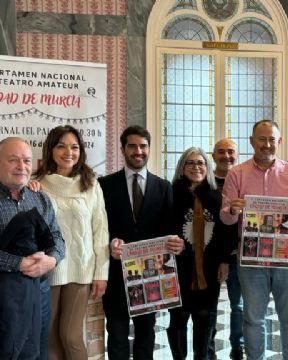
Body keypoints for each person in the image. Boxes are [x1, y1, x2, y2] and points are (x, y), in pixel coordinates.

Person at [0, 137, 65, 360]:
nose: (22, 166)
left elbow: (57, 238)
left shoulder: (41, 199)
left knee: (37, 354)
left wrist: (51, 260)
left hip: (38, 295)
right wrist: (19, 263)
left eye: (27, 161)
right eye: (14, 160)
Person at [221, 120, 288, 360]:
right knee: (253, 318)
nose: (267, 144)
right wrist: (232, 211)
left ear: (279, 142)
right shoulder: (236, 173)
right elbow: (226, 218)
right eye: (262, 139)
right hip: (251, 260)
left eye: (272, 139)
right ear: (252, 141)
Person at [99, 126, 183, 360]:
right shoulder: (104, 185)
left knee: (146, 335)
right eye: (132, 146)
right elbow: (97, 227)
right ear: (123, 149)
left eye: (143, 146)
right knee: (116, 334)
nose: (138, 151)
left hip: (151, 275)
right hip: (116, 274)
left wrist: (177, 242)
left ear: (149, 148)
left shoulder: (163, 186)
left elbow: (171, 227)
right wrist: (109, 243)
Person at [32, 125, 109, 360]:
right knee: (49, 336)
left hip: (81, 269)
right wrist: (26, 189)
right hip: (49, 268)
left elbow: (100, 230)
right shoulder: (36, 184)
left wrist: (101, 273)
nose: (69, 152)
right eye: (61, 146)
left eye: (74, 147)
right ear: (51, 149)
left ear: (81, 151)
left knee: (71, 336)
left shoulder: (91, 184)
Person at [167, 147, 236, 360]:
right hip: (177, 267)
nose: (196, 167)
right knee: (179, 316)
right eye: (190, 163)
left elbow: (226, 232)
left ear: (207, 167)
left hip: (209, 267)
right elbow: (162, 226)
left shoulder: (217, 197)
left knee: (205, 316)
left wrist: (225, 260)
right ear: (182, 167)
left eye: (201, 163)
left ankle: (202, 356)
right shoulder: (170, 195)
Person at [208, 138, 244, 360]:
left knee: (238, 305)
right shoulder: (206, 182)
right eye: (221, 152)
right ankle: (208, 346)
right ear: (213, 156)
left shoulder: (242, 181)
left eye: (230, 152)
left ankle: (237, 347)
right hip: (213, 255)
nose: (226, 156)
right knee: (210, 305)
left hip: (239, 253)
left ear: (237, 155)